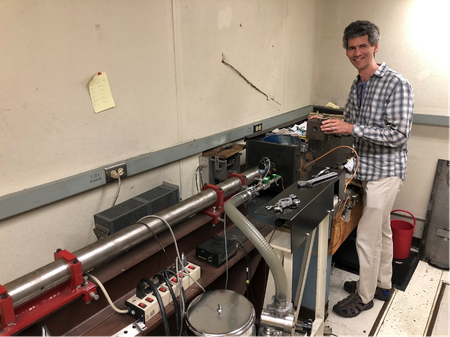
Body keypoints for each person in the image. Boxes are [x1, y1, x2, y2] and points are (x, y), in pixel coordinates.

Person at [320, 20, 414, 318]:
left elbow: (398, 135)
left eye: (363, 46)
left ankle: (364, 297)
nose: (357, 52)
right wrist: (329, 124)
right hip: (365, 169)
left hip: (385, 172)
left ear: (375, 47)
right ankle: (382, 285)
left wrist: (351, 127)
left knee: (366, 236)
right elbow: (349, 119)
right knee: (382, 232)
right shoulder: (358, 83)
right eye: (351, 47)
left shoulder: (396, 84)